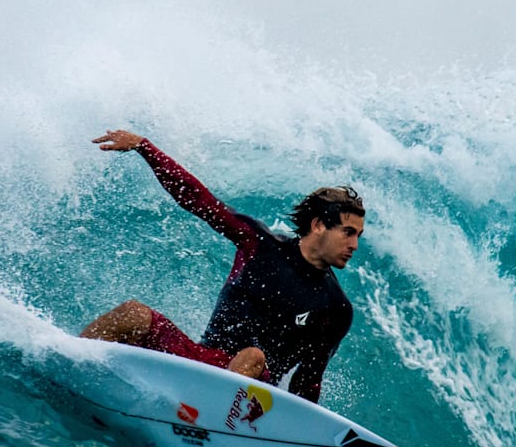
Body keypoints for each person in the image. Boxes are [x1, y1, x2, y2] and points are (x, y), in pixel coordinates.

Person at [80, 129, 364, 404]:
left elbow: (307, 383)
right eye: (348, 232)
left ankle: (206, 418)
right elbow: (198, 200)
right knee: (132, 314)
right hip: (202, 362)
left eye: (358, 236)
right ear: (318, 226)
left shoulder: (335, 308)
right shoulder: (260, 245)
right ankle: (72, 362)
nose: (354, 245)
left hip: (250, 397)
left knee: (252, 357)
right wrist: (144, 146)